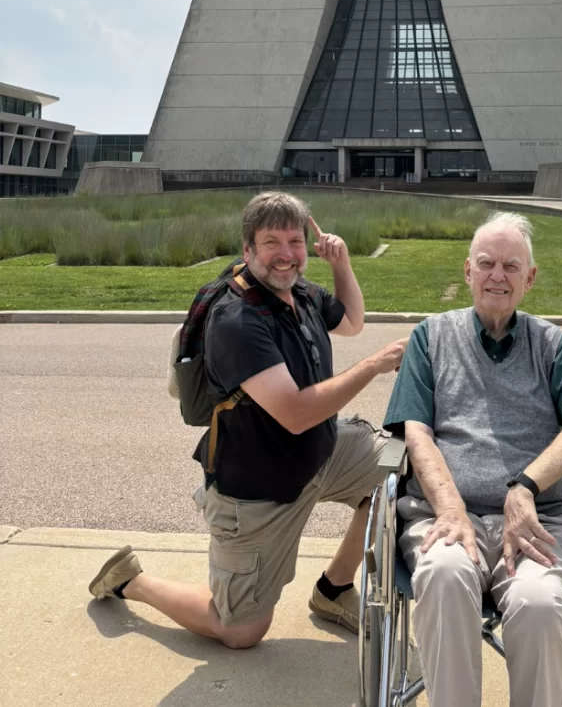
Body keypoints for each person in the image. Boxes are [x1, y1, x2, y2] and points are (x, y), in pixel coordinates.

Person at [89, 191, 405, 649]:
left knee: (400, 465)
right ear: (248, 249)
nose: (286, 254)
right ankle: (130, 581)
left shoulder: (300, 292)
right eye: (271, 242)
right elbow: (296, 413)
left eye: (295, 241)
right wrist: (374, 365)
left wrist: (341, 264)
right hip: (259, 489)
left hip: (322, 453)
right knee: (240, 630)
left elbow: (352, 322)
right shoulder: (237, 319)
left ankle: (333, 590)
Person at [383, 211, 562, 707]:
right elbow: (416, 431)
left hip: (538, 522)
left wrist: (525, 488)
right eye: (486, 263)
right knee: (444, 576)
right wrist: (450, 508)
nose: (497, 276)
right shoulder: (431, 337)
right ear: (468, 271)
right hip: (443, 515)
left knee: (540, 605)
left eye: (511, 266)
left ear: (529, 278)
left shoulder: (554, 345)